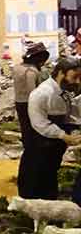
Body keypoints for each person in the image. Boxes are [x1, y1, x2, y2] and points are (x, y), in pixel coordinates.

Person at [22, 56, 81, 200]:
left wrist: (74, 131)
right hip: (40, 144)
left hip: (55, 145)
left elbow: (70, 113)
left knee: (50, 174)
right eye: (75, 77)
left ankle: (50, 203)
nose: (77, 81)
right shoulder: (41, 94)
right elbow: (39, 123)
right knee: (35, 179)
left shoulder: (64, 92)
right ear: (61, 73)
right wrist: (63, 135)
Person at [14, 42, 51, 150]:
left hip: (19, 101)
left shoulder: (17, 68)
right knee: (35, 127)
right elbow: (33, 91)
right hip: (31, 103)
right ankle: (34, 148)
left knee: (25, 127)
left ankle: (28, 147)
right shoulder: (32, 71)